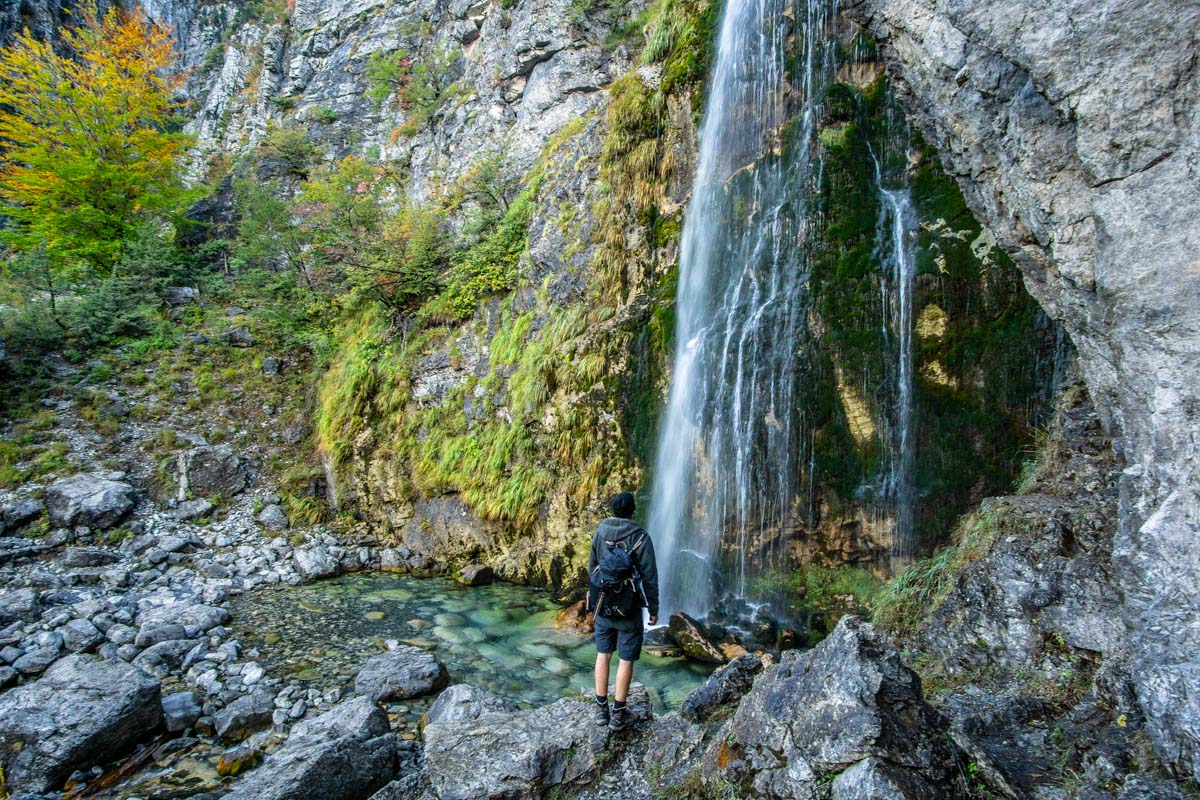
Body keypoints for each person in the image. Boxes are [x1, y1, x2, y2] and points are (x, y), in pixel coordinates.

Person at [589, 491, 658, 731]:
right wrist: (653, 608)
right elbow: (650, 577)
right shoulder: (640, 537)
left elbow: (593, 568)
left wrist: (596, 596)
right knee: (626, 659)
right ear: (632, 511)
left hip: (603, 605)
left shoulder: (600, 532)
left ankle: (601, 711)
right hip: (628, 608)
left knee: (603, 654)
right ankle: (618, 714)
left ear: (613, 510)